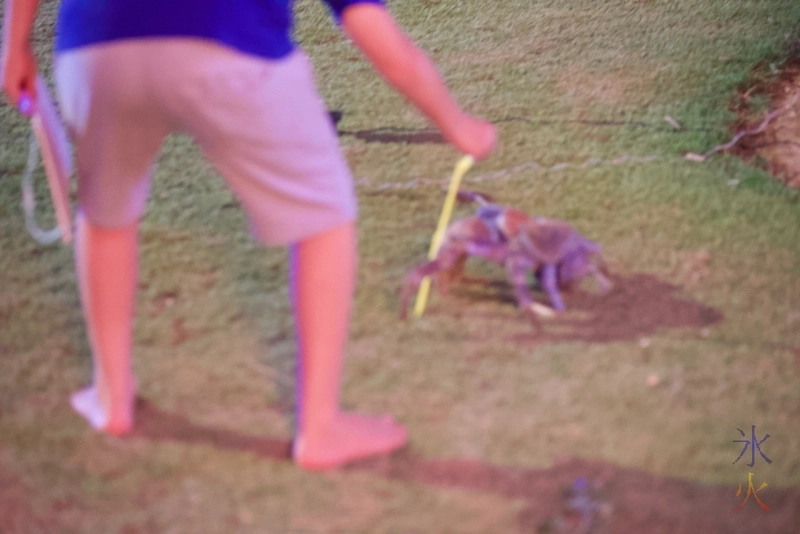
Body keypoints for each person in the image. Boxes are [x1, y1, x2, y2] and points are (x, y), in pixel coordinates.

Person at [1, 0, 497, 470]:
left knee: (105, 213)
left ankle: (111, 398)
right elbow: (368, 23)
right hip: (228, 44)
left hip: (96, 46)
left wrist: (15, 44)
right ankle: (320, 428)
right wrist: (456, 124)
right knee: (325, 217)